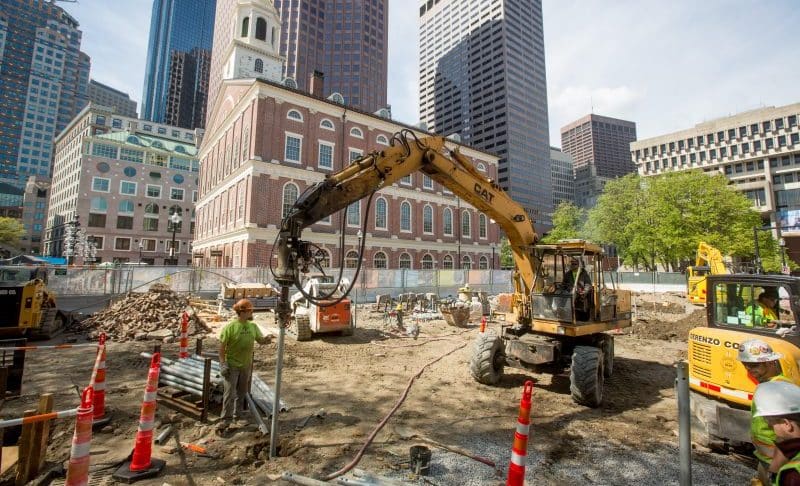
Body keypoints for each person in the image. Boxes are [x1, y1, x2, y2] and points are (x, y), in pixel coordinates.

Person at [739, 339, 793, 484]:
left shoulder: (777, 389)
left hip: (777, 461)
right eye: (746, 365)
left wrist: (776, 466)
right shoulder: (767, 385)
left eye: (754, 365)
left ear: (770, 362)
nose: (749, 369)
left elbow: (787, 434)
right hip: (765, 458)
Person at [218, 299, 271, 429]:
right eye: (250, 310)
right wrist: (223, 363)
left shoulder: (253, 326)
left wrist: (267, 340)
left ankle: (238, 416)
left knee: (241, 392)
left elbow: (260, 340)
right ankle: (225, 419)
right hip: (232, 365)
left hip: (246, 365)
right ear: (242, 312)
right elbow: (222, 346)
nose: (252, 312)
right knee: (229, 393)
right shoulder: (230, 327)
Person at [751, 380, 800, 485]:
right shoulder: (790, 451)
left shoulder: (793, 474)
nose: (769, 426)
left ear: (786, 424)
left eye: (771, 423)